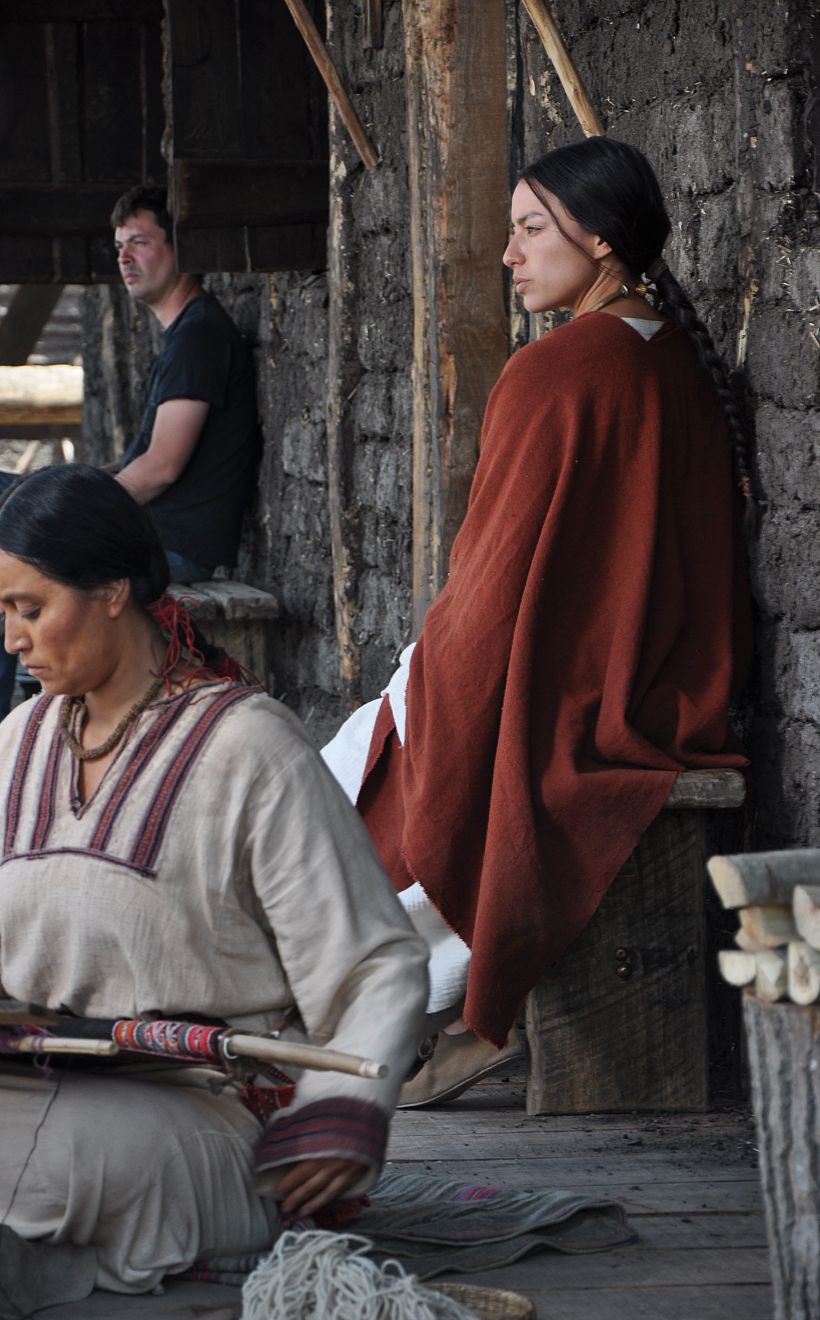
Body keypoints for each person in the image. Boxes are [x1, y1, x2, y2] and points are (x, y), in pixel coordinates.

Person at [0, 463, 428, 1318]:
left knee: (53, 1148)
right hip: (44, 1078)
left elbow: (375, 963)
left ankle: (27, 1244)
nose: (10, 640)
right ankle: (13, 1250)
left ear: (115, 590)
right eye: (2, 611)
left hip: (203, 1119)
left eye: (29, 608)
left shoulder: (250, 749)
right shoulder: (13, 748)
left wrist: (347, 1109)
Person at [323, 135, 752, 1104]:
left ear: (599, 241)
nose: (509, 255)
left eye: (529, 231)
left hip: (566, 680)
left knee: (351, 785)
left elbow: (486, 592)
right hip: (657, 679)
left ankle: (430, 1004)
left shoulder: (554, 373)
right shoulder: (677, 358)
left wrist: (438, 685)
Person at [0, 184, 259, 792]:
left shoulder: (200, 337)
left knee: (6, 508)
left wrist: (76, 502)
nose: (126, 257)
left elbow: (159, 470)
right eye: (119, 245)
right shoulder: (184, 335)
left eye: (142, 242)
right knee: (0, 490)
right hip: (156, 533)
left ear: (182, 251)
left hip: (173, 544)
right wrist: (67, 486)